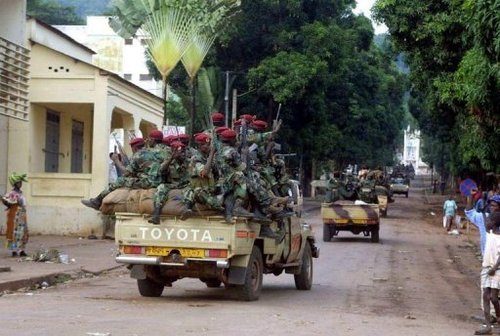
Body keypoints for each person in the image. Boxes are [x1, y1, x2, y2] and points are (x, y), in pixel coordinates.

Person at [475, 212, 500, 335]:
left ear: (494, 222)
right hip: (486, 268)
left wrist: (495, 268)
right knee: (485, 296)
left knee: (493, 298)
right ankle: (488, 326)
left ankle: (499, 318)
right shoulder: (488, 233)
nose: (486, 222)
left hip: (496, 270)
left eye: (489, 220)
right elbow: (483, 219)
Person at [2, 173, 29, 257]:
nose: (20, 184)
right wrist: (9, 204)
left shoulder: (20, 193)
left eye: (20, 183)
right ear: (14, 184)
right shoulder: (12, 193)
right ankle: (14, 250)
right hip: (14, 215)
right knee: (14, 232)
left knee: (22, 232)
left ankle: (21, 250)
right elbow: (5, 200)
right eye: (18, 183)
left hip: (21, 214)